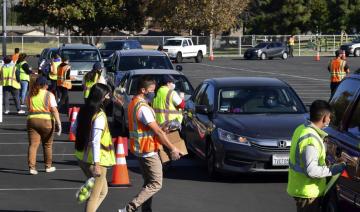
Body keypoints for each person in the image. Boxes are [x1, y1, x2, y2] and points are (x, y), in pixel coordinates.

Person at [118, 76, 182, 212]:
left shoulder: (134, 103)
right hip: (148, 150)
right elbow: (157, 132)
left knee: (149, 183)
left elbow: (149, 128)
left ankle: (146, 210)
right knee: (156, 183)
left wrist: (164, 127)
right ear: (143, 90)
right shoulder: (143, 108)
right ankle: (128, 209)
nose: (154, 93)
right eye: (151, 90)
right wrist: (172, 148)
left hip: (140, 148)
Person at [287, 100, 346, 212]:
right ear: (324, 118)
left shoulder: (301, 129)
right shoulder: (311, 139)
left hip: (302, 189)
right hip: (308, 192)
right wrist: (334, 169)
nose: (330, 120)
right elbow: (312, 170)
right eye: (329, 117)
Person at [73, 83, 115, 212]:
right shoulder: (100, 116)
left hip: (82, 157)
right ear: (101, 97)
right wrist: (97, 164)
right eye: (107, 95)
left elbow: (74, 129)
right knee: (94, 196)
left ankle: (89, 201)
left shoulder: (84, 110)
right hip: (97, 161)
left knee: (103, 191)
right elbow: (96, 141)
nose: (109, 97)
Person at [27, 76, 61, 175]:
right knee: (47, 145)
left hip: (32, 120)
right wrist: (59, 123)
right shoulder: (49, 94)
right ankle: (48, 166)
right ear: (45, 85)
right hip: (46, 121)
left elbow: (28, 107)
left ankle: (32, 168)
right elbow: (54, 110)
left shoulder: (30, 94)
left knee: (33, 145)